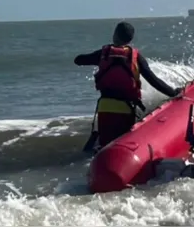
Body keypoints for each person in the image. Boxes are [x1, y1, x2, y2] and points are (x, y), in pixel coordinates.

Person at [74, 21, 181, 151]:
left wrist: (99, 57)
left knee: (104, 146)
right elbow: (154, 81)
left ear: (115, 35)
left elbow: (78, 60)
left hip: (105, 108)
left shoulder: (104, 53)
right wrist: (174, 93)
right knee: (119, 146)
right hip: (125, 109)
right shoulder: (136, 57)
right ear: (130, 39)